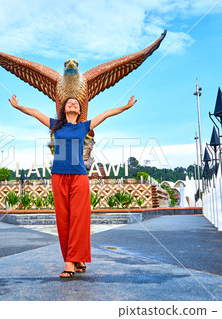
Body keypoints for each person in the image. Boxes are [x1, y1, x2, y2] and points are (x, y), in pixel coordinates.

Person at [8, 95, 137, 278]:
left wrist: (125, 106)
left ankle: (72, 261)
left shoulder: (83, 126)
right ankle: (75, 259)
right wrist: (17, 106)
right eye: (69, 102)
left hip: (79, 176)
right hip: (58, 175)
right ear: (64, 108)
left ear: (79, 111)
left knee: (79, 218)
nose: (73, 103)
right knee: (63, 219)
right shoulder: (56, 125)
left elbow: (107, 113)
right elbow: (35, 113)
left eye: (76, 103)